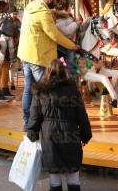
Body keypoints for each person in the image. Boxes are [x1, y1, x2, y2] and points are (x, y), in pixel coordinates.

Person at [18, 0, 78, 127]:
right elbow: (54, 34)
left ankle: (28, 121)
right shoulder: (44, 14)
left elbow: (50, 11)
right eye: (56, 0)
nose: (57, 3)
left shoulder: (32, 5)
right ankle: (54, 120)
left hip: (25, 54)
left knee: (29, 88)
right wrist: (73, 46)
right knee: (48, 89)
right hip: (38, 56)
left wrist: (61, 14)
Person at [26, 59, 91, 191]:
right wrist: (86, 134)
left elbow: (34, 115)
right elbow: (81, 115)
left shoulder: (40, 91)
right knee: (73, 178)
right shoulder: (73, 91)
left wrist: (32, 132)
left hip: (50, 138)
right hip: (70, 136)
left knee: (54, 180)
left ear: (47, 72)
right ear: (64, 73)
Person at [54, 0, 81, 78]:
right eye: (69, 7)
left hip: (68, 40)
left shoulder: (68, 17)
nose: (70, 8)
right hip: (61, 42)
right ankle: (71, 71)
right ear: (65, 8)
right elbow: (66, 31)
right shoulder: (59, 18)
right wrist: (76, 24)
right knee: (71, 49)